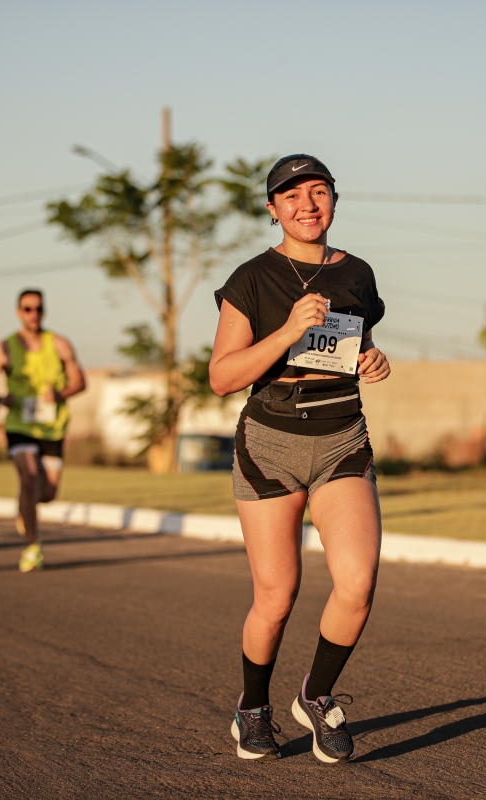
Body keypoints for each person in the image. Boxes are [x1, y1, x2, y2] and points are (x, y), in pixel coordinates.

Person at [210, 155, 391, 762]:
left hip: (342, 439)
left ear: (334, 199)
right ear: (272, 209)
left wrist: (372, 358)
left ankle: (316, 694)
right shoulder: (251, 279)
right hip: (271, 445)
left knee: (357, 584)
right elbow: (222, 377)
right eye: (291, 196)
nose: (306, 205)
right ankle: (252, 707)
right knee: (276, 596)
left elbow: (358, 341)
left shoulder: (357, 273)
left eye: (318, 192)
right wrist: (287, 331)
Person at [0, 290, 85, 572]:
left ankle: (25, 508)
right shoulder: (6, 348)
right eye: (27, 309)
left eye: (38, 309)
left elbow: (80, 382)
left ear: (43, 311)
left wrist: (60, 394)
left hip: (52, 428)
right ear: (18, 312)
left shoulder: (59, 344)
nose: (33, 314)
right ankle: (33, 547)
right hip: (19, 426)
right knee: (30, 477)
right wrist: (0, 400)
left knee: (48, 493)